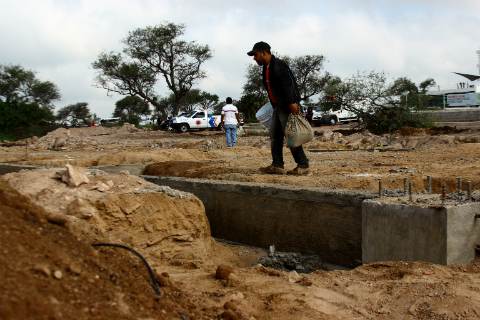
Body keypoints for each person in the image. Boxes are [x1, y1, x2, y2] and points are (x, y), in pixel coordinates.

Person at [247, 41, 309, 175]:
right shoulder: (267, 67)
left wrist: (292, 102)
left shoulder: (279, 65)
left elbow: (288, 84)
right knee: (275, 135)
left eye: (256, 54)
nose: (254, 58)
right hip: (277, 106)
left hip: (287, 106)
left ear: (263, 53)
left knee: (292, 136)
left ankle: (303, 165)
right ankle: (277, 165)